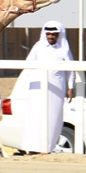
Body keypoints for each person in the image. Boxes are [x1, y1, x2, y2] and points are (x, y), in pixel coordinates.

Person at [20, 20, 74, 154]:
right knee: (35, 117)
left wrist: (70, 87)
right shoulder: (38, 47)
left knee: (53, 119)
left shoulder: (64, 48)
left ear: (58, 35)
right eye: (48, 34)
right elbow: (28, 66)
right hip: (37, 89)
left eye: (53, 34)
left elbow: (71, 69)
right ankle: (32, 149)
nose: (50, 36)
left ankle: (47, 149)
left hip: (56, 89)